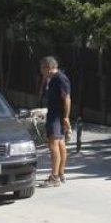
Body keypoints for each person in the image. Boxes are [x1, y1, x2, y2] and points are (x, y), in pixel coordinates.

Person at [38, 56, 71, 187]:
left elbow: (67, 98)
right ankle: (60, 174)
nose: (41, 71)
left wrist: (66, 117)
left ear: (48, 67)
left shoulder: (60, 78)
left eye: (42, 68)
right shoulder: (52, 79)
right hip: (55, 115)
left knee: (53, 144)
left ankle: (54, 177)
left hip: (56, 116)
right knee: (60, 143)